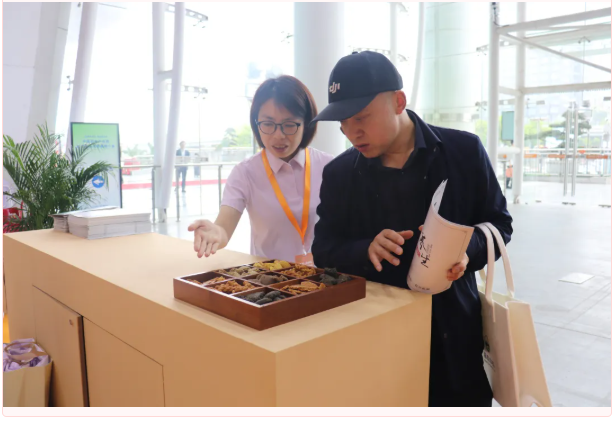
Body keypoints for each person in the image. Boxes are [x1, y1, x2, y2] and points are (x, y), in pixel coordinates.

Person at [310, 51, 513, 407]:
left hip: (455, 335)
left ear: (398, 102)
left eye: (361, 117)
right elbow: (324, 249)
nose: (352, 132)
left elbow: (500, 224)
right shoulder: (340, 174)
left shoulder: (463, 152)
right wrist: (365, 249)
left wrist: (468, 251)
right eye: (342, 122)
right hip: (377, 342)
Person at [188, 76, 333, 262]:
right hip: (269, 276)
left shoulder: (330, 167)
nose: (278, 135)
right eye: (268, 124)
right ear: (256, 124)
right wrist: (216, 232)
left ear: (306, 124)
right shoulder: (245, 173)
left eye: (289, 125)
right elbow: (224, 227)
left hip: (325, 274)